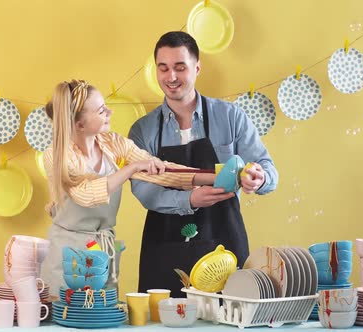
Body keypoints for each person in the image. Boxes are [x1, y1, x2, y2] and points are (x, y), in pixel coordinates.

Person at [129, 31, 279, 297]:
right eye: (163, 68)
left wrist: (259, 177)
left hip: (224, 245)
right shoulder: (143, 130)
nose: (171, 77)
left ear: (197, 68)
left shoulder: (231, 116)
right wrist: (190, 200)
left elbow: (266, 167)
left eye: (180, 67)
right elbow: (143, 191)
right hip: (164, 249)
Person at [40, 79, 215, 296]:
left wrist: (213, 177)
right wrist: (130, 169)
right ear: (79, 124)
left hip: (102, 249)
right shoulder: (57, 156)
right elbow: (85, 194)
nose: (110, 112)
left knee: (103, 316)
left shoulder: (112, 143)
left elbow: (161, 171)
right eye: (102, 110)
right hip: (68, 256)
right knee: (66, 317)